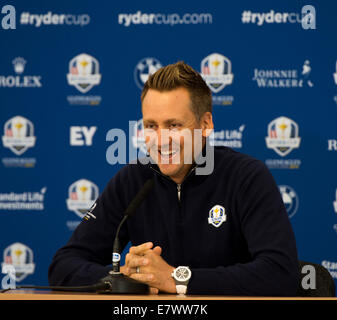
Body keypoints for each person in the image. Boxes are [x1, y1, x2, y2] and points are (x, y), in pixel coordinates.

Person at [48, 61, 300, 296]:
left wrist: (177, 279)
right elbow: (63, 266)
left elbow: (280, 272)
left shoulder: (246, 177)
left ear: (206, 124)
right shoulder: (133, 180)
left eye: (174, 125)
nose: (161, 140)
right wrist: (122, 276)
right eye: (151, 126)